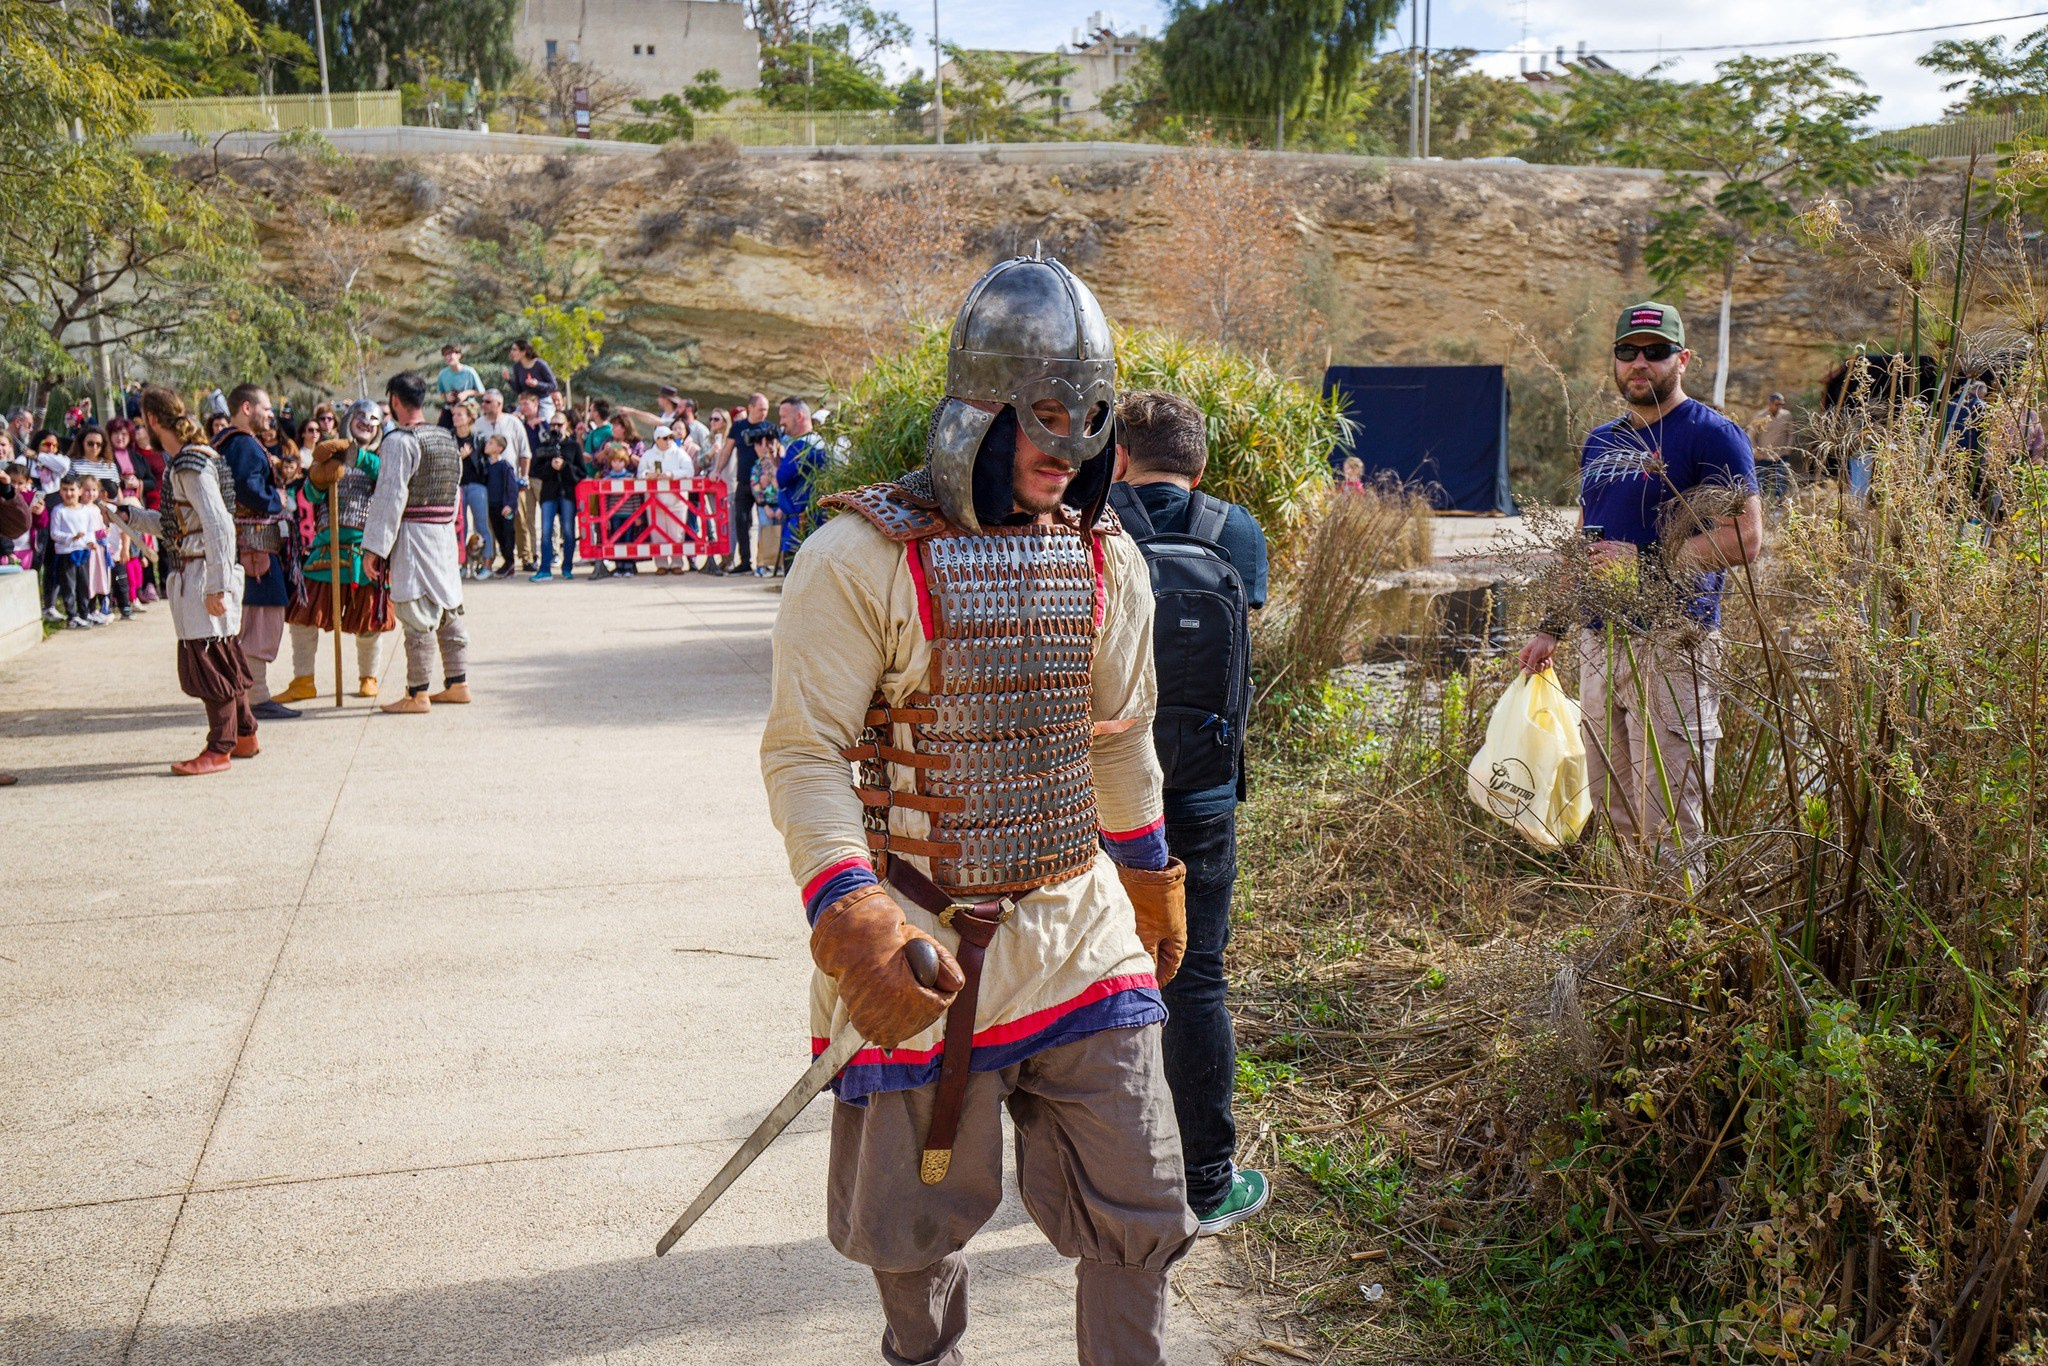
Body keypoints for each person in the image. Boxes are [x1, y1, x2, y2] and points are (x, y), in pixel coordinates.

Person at [762, 253, 1195, 1366]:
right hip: (917, 935)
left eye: (1090, 422)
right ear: (980, 410)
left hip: (1078, 933)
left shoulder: (1105, 559)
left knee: (1140, 1203)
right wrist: (849, 906)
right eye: (1045, 418)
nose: (1070, 451)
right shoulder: (859, 557)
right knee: (910, 1242)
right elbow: (805, 753)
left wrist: (1146, 873)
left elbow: (1124, 734)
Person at [1519, 301, 1763, 886]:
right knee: (1616, 808)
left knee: (1671, 817)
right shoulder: (1602, 442)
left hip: (1674, 644)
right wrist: (1552, 624)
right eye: (1628, 352)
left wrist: (1650, 560)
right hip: (1602, 643)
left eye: (1654, 353)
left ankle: (1683, 943)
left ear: (1681, 359)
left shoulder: (1712, 435)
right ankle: (1638, 931)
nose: (1639, 364)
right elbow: (1587, 537)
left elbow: (1746, 538)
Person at [1109, 388, 1272, 1236]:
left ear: (1122, 457)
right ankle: (1207, 1183)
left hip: (1101, 789)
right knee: (1197, 977)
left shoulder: (1093, 521)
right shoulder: (1236, 531)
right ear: (1201, 464)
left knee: (1090, 974)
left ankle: (1088, 1174)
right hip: (1203, 786)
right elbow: (1242, 640)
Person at [105, 386, 254, 775]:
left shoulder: (190, 463)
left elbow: (219, 525)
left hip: (204, 571)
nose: (140, 430)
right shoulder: (189, 460)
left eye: (142, 421)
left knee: (208, 659)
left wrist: (216, 586)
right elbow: (179, 527)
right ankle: (245, 734)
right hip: (201, 566)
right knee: (222, 653)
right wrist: (131, 516)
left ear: (154, 420)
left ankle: (219, 749)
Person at [363, 371, 471, 715]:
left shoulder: (398, 441)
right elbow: (454, 492)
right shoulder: (445, 438)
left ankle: (417, 693)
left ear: (394, 401)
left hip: (413, 534)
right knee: (449, 605)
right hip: (442, 534)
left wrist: (375, 549)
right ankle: (458, 683)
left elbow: (390, 497)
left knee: (417, 613)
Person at [278, 408, 396, 702]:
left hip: (364, 550)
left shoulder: (384, 456)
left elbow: (386, 480)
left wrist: (358, 456)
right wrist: (318, 479)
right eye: (360, 419)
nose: (366, 425)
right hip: (326, 546)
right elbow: (311, 497)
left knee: (369, 619)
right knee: (302, 616)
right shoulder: (330, 454)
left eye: (372, 421)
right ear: (348, 422)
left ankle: (368, 676)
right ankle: (303, 680)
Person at [216, 384, 299, 721]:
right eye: (266, 409)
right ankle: (256, 695)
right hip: (252, 549)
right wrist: (275, 499)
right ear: (247, 408)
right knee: (260, 617)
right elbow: (249, 489)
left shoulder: (226, 442)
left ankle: (251, 692)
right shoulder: (244, 444)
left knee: (254, 616)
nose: (271, 415)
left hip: (244, 546)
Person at [772, 397, 826, 573]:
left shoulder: (803, 446)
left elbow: (781, 479)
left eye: (784, 417)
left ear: (799, 416)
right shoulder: (818, 442)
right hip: (815, 522)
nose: (781, 423)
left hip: (800, 526)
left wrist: (765, 458)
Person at [530, 409, 582, 581]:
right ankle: (545, 568)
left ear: (566, 425)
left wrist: (564, 466)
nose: (555, 427)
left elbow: (581, 472)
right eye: (552, 424)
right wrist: (551, 467)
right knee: (546, 532)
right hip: (549, 494)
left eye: (559, 424)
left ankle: (567, 567)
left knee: (568, 531)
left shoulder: (573, 446)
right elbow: (536, 471)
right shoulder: (544, 446)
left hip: (567, 494)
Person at [728, 392, 775, 575]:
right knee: (741, 520)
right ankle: (745, 561)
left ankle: (764, 562)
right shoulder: (738, 427)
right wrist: (717, 470)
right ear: (751, 407)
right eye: (761, 409)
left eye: (766, 410)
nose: (764, 413)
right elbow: (727, 450)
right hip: (744, 482)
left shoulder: (770, 427)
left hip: (765, 484)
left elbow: (777, 452)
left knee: (766, 523)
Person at [641, 425, 695, 573]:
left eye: (671, 437)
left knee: (676, 533)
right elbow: (641, 472)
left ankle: (677, 563)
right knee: (658, 532)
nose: (669, 440)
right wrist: (648, 475)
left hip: (677, 501)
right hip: (654, 500)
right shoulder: (648, 455)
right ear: (657, 440)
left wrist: (673, 474)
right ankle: (661, 564)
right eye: (665, 438)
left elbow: (689, 471)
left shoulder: (680, 453)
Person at [47, 476, 97, 628]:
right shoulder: (59, 510)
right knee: (69, 585)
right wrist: (71, 537)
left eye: (72, 490)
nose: (69, 493)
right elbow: (54, 533)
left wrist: (91, 542)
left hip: (82, 551)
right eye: (64, 490)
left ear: (80, 491)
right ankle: (72, 615)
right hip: (66, 552)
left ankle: (85, 612)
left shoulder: (86, 510)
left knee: (84, 584)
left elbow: (90, 531)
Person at [453, 400, 490, 579]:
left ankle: (486, 565)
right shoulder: (450, 437)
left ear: (469, 417)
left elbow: (486, 462)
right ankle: (462, 564)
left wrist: (471, 455)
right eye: (454, 414)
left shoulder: (479, 438)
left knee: (481, 525)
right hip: (457, 486)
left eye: (460, 414)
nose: (455, 418)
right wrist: (459, 458)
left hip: (477, 485)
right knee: (460, 527)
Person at [1745, 392, 1796, 501]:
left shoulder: (1786, 415)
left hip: (1780, 456)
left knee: (1781, 482)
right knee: (1761, 482)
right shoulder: (1761, 416)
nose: (1779, 407)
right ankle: (1761, 506)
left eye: (1781, 405)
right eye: (1776, 404)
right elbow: (1751, 435)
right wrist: (1756, 451)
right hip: (1763, 456)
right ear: (1769, 404)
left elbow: (1791, 433)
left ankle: (1779, 506)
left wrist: (1787, 449)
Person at [484, 434, 518, 576]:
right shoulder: (486, 466)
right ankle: (506, 561)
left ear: (499, 448)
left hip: (504, 507)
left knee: (507, 535)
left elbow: (512, 487)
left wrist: (510, 504)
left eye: (491, 443)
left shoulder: (505, 466)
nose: (487, 445)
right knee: (498, 535)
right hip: (492, 506)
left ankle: (510, 563)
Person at [507, 338, 558, 421]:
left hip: (543, 402)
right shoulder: (517, 367)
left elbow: (553, 386)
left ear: (523, 352)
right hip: (525, 403)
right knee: (513, 421)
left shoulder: (540, 364)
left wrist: (537, 384)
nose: (511, 353)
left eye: (514, 350)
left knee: (546, 424)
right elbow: (519, 390)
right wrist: (509, 380)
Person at [435, 343, 483, 423]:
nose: (448, 357)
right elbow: (441, 392)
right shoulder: (443, 374)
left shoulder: (469, 371)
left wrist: (466, 393)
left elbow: (481, 391)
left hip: (468, 408)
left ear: (459, 355)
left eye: (450, 354)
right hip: (451, 409)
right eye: (446, 355)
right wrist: (447, 397)